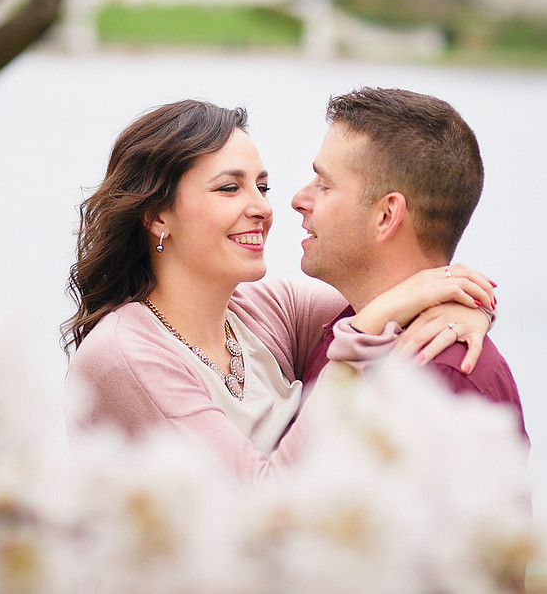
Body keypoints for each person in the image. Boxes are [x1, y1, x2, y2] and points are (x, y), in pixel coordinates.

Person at [62, 100, 498, 479]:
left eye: (262, 187)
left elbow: (391, 293)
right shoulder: (124, 354)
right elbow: (263, 503)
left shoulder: (270, 312)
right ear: (158, 216)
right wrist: (366, 330)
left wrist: (467, 306)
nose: (263, 208)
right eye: (230, 188)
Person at [293, 87, 527, 442]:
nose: (299, 199)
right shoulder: (343, 331)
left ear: (386, 215)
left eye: (324, 185)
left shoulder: (445, 379)